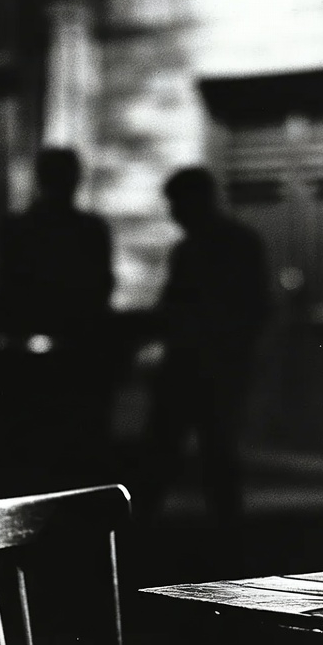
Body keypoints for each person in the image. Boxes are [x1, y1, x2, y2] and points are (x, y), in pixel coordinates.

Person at [137, 167, 270, 527]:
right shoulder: (228, 243)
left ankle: (141, 534)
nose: (172, 212)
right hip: (211, 366)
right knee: (210, 455)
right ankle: (224, 537)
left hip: (203, 366)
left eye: (176, 203)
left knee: (180, 452)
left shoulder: (205, 248)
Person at [0, 147, 117, 492]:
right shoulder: (89, 229)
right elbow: (101, 286)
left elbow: (7, 290)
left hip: (43, 352)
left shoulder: (19, 229)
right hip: (75, 351)